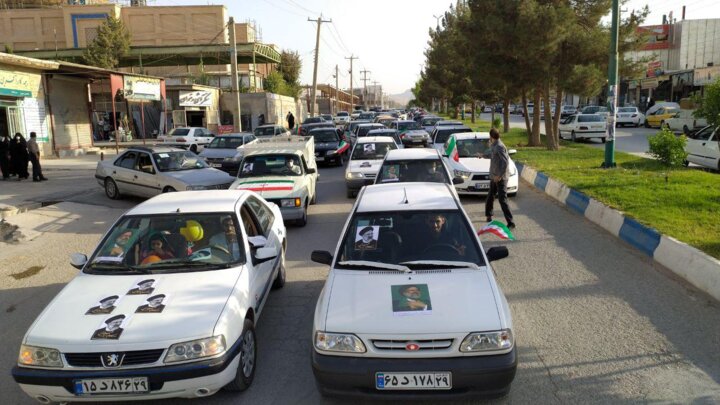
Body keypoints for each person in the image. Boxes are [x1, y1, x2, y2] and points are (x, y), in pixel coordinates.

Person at [484, 128, 515, 229]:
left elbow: (505, 162)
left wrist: (499, 176)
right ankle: (489, 215)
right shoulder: (495, 145)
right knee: (490, 196)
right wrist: (482, 155)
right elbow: (493, 156)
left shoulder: (500, 146)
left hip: (501, 177)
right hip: (494, 175)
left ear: (491, 136)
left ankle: (511, 223)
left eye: (490, 137)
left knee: (502, 199)